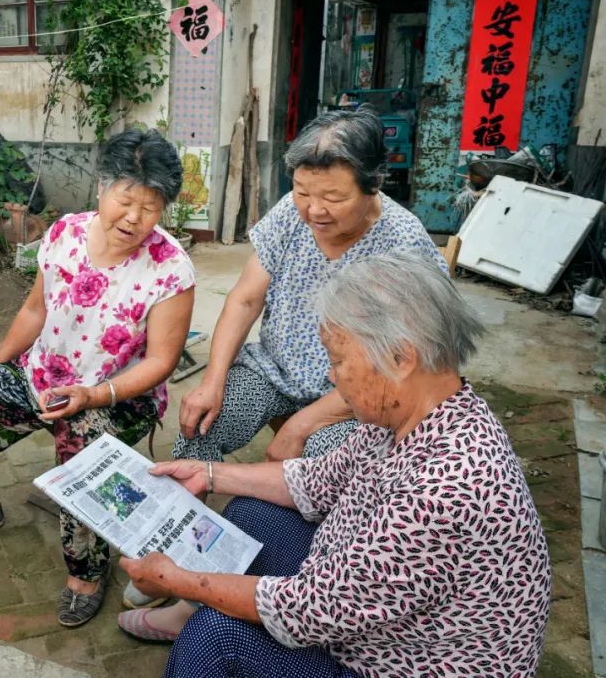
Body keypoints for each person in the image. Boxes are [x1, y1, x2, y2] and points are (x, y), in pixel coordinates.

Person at [117, 253, 551, 678]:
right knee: (250, 515)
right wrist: (208, 473)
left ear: (401, 358)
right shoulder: (411, 414)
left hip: (401, 660)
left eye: (340, 360)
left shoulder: (445, 488)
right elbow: (315, 481)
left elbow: (304, 610)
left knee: (218, 638)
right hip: (372, 611)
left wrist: (178, 580)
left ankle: (192, 628)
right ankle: (190, 616)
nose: (331, 376)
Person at [123, 108, 448, 612]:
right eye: (303, 191)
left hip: (352, 398)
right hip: (274, 368)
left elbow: (402, 369)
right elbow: (246, 299)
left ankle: (273, 580)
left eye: (333, 197)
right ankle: (176, 551)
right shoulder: (289, 215)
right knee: (201, 425)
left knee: (327, 474)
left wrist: (300, 424)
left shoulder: (403, 247)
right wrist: (212, 380)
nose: (314, 210)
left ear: (372, 187)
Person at [0, 128, 196, 628]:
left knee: (81, 443)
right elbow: (34, 310)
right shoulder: (65, 233)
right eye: (126, 199)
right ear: (102, 188)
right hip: (44, 378)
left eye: (151, 207)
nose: (134, 217)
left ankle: (87, 570)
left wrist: (94, 394)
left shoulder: (170, 268)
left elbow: (161, 362)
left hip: (117, 396)